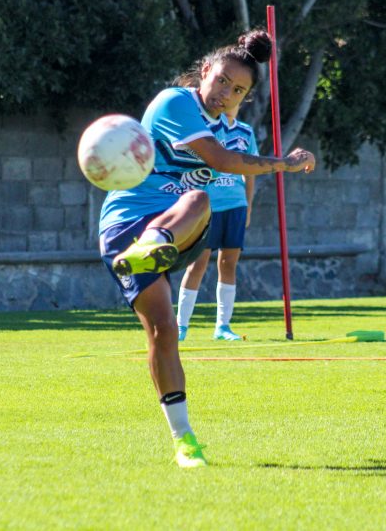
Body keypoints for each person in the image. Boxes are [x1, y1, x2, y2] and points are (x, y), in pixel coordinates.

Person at [97, 29, 315, 468]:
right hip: (124, 228)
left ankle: (184, 441)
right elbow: (221, 161)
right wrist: (284, 164)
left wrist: (275, 159)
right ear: (204, 72)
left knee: (199, 204)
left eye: (238, 90)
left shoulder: (228, 128)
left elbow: (235, 160)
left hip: (171, 230)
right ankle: (184, 441)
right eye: (221, 82)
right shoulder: (176, 102)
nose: (225, 93)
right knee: (162, 328)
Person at [176, 99, 256, 342]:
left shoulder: (246, 131)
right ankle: (180, 326)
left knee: (228, 264)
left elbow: (251, 171)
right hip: (208, 206)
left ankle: (223, 326)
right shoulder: (206, 128)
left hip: (236, 205)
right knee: (197, 264)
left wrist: (249, 206)